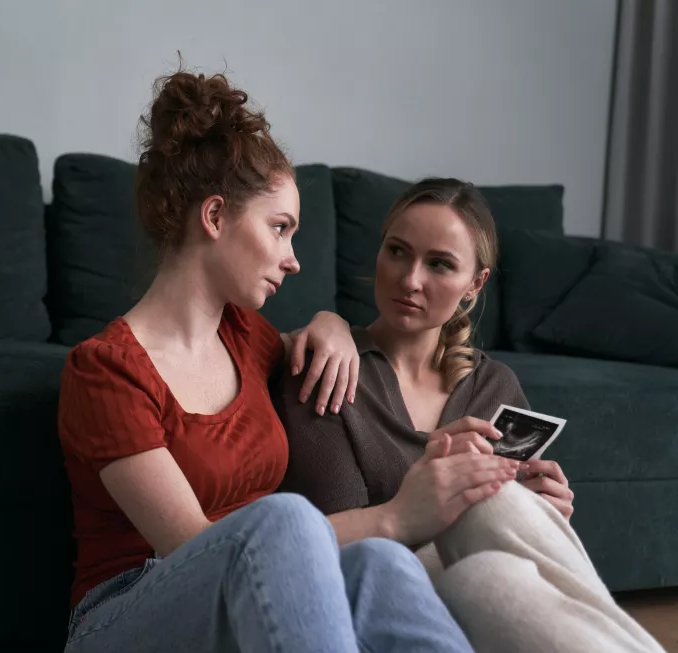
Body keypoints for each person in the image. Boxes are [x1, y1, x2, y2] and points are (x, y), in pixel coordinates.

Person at [56, 70, 483, 652]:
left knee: (382, 566)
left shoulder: (245, 337)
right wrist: (393, 517)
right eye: (280, 230)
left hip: (261, 591)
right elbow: (191, 546)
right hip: (127, 611)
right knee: (292, 521)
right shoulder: (105, 371)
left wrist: (330, 324)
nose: (293, 259)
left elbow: (305, 339)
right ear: (214, 217)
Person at [275, 178, 665, 653]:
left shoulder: (495, 386)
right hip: (377, 588)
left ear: (474, 285)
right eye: (397, 251)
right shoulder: (327, 364)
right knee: (485, 557)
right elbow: (345, 543)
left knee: (490, 559)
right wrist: (438, 485)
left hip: (485, 586)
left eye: (439, 264)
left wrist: (543, 513)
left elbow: (531, 560)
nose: (410, 279)